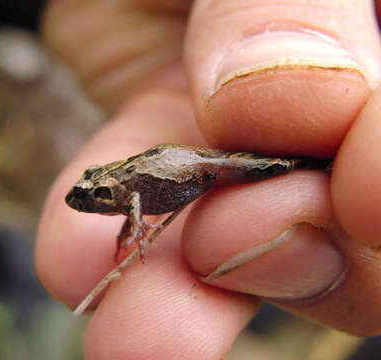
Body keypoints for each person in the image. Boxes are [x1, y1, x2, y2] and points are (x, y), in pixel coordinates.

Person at [36, 1, 381, 358]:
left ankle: (312, 163)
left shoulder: (128, 196)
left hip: (193, 167)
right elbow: (131, 213)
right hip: (185, 170)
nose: (88, 202)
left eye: (91, 195)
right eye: (88, 196)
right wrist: (129, 234)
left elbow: (137, 205)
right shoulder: (123, 199)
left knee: (270, 168)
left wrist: (136, 230)